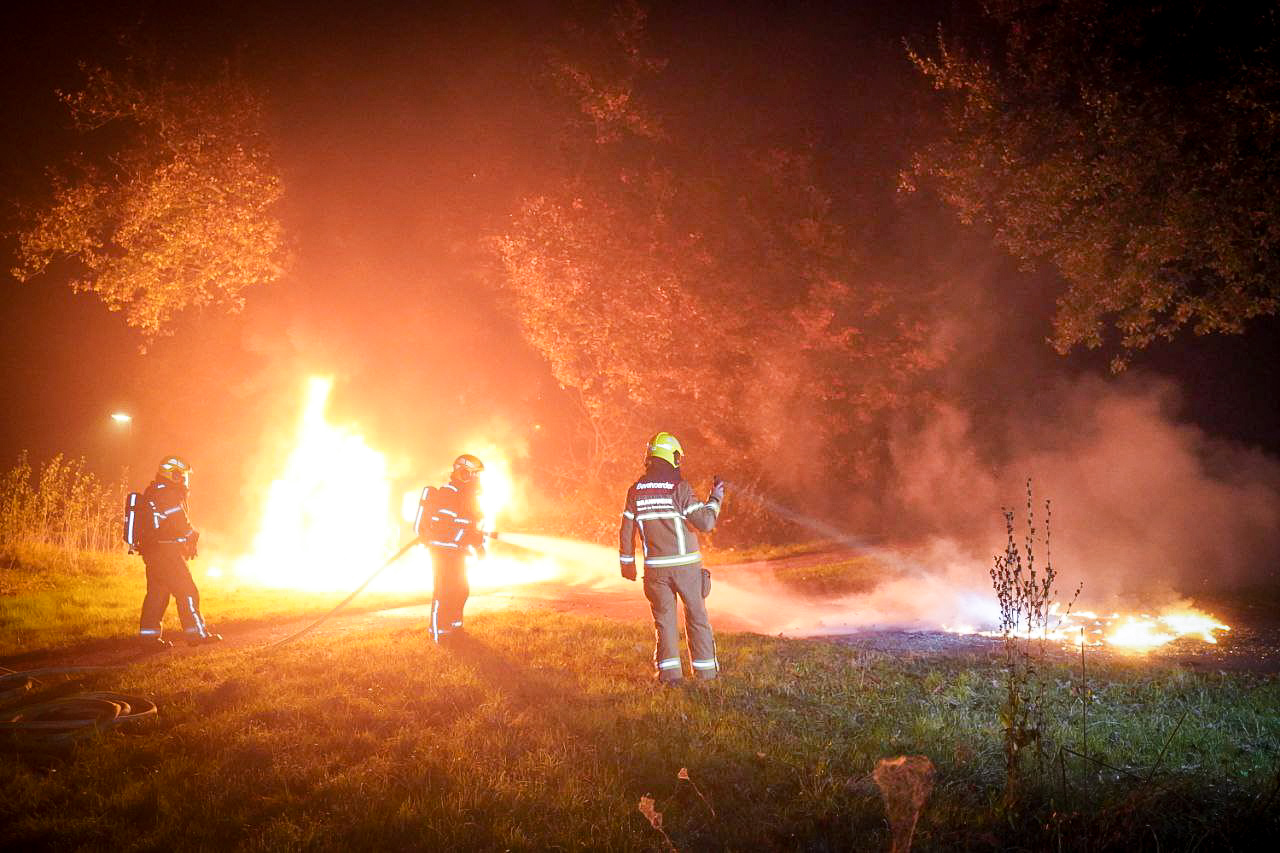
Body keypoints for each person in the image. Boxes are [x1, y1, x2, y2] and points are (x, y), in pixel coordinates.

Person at [619, 432, 726, 685]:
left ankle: (670, 678)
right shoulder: (679, 488)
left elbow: (626, 529)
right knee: (697, 618)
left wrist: (627, 564)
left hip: (655, 571)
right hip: (685, 568)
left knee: (664, 623)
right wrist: (716, 497)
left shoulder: (635, 491)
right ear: (672, 456)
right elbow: (705, 522)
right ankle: (706, 676)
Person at [137, 455, 221, 649]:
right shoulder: (167, 494)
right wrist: (193, 536)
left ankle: (148, 640)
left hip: (154, 553)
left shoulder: (155, 492)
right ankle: (196, 634)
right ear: (172, 475)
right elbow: (179, 522)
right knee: (188, 591)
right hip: (167, 553)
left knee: (157, 596)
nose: (184, 480)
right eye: (181, 476)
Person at [416, 454, 487, 644]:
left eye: (478, 475)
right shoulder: (448, 494)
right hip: (442, 552)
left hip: (457, 552)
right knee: (444, 592)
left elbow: (470, 526)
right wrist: (468, 537)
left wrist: (478, 545)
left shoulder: (468, 497)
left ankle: (455, 629)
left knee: (461, 590)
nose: (477, 479)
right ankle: (439, 634)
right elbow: (444, 529)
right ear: (463, 473)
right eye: (474, 474)